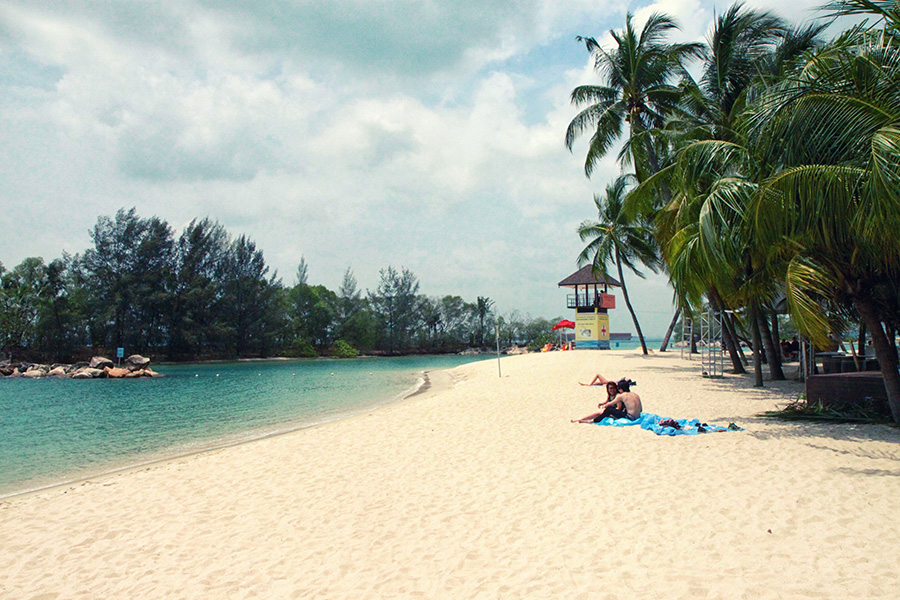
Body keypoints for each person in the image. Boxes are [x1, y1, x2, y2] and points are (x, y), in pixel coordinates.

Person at [572, 380, 642, 423]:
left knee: (609, 410)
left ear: (620, 389)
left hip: (630, 418)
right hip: (638, 417)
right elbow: (641, 409)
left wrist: (604, 407)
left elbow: (609, 405)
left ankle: (592, 421)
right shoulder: (636, 395)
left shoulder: (622, 395)